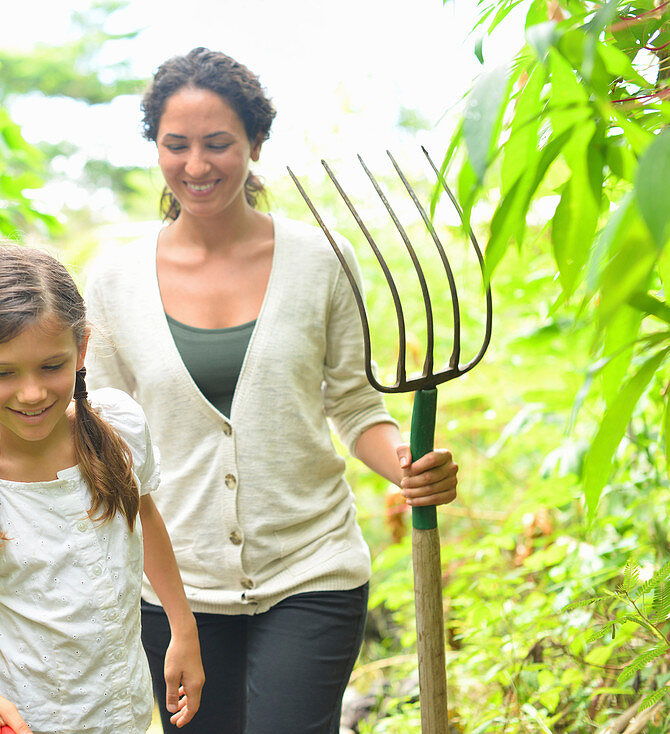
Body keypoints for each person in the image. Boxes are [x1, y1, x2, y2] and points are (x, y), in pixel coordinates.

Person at [83, 48, 460, 734]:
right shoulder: (112, 283)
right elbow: (107, 445)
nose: (197, 166)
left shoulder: (322, 261)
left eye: (219, 143)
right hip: (175, 592)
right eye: (177, 145)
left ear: (256, 144)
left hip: (312, 568)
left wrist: (407, 465)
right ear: (156, 149)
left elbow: (353, 403)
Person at [0, 245, 205, 734]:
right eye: (3, 372)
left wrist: (182, 626)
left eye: (50, 366)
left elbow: (141, 516)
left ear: (81, 349)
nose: (32, 392)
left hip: (118, 718)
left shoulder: (119, 429)